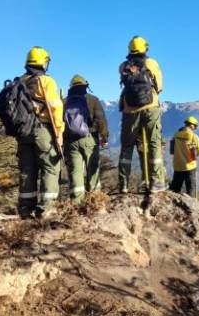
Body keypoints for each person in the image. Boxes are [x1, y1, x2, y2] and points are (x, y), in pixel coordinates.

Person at [16, 46, 65, 218]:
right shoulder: (46, 81)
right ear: (44, 62)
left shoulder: (19, 81)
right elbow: (55, 108)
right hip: (42, 129)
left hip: (23, 131)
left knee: (27, 169)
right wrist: (59, 132)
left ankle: (25, 209)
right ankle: (46, 208)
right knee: (50, 166)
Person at [117, 36, 166, 193]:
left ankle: (123, 184)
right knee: (153, 144)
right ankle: (156, 182)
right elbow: (159, 87)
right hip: (150, 108)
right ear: (145, 48)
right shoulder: (152, 63)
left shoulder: (123, 66)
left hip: (129, 109)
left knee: (127, 147)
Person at [63, 74, 109, 203]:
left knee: (75, 172)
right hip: (90, 138)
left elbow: (60, 123)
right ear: (85, 86)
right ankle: (94, 201)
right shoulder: (93, 99)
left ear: (71, 87)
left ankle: (76, 204)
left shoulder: (64, 101)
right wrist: (104, 136)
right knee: (92, 170)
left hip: (70, 142)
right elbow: (101, 120)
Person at [169, 116, 199, 198]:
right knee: (191, 189)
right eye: (195, 127)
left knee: (175, 188)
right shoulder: (193, 136)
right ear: (192, 125)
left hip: (178, 165)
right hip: (190, 166)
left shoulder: (176, 134)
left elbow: (172, 150)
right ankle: (192, 207)